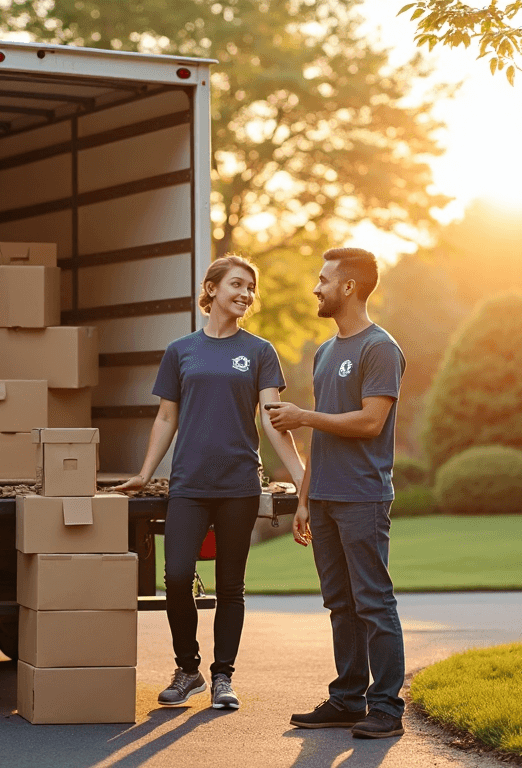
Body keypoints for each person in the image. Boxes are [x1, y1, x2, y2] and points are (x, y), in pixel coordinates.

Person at [113, 255, 303, 711]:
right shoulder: (182, 350)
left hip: (238, 484)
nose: (245, 293)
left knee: (230, 585)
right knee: (176, 577)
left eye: (251, 288)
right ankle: (188, 669)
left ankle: (223, 677)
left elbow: (273, 417)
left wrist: (301, 475)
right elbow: (166, 415)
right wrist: (144, 472)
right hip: (189, 485)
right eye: (237, 284)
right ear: (212, 289)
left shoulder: (260, 351)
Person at [266, 247, 407, 739]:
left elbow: (370, 422)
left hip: (362, 497)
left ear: (348, 287)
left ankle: (386, 707)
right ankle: (348, 699)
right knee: (339, 603)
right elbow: (320, 435)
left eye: (324, 279)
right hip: (323, 497)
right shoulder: (326, 352)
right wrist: (305, 498)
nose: (316, 287)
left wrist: (303, 414)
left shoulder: (380, 348)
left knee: (373, 601)